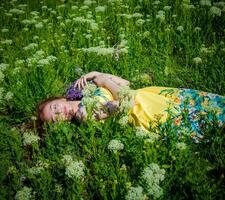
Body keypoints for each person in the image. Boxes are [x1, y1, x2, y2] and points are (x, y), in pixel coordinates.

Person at [37, 71, 225, 142]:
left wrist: (96, 75)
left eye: (54, 108)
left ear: (60, 99)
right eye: (55, 119)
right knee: (203, 119)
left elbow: (126, 84)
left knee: (206, 104)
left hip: (151, 95)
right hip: (145, 112)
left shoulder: (89, 92)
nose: (60, 113)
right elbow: (126, 103)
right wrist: (103, 81)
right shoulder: (83, 115)